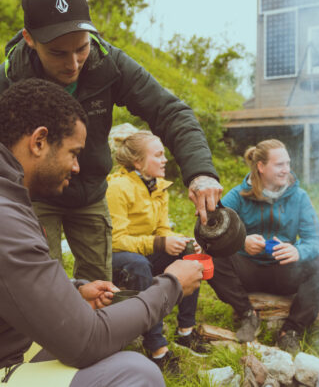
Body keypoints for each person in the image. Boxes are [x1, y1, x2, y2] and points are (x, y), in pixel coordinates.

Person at [0, 0, 222, 282]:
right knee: (41, 282)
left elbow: (169, 111)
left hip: (90, 193)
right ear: (30, 39)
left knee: (99, 285)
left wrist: (201, 173)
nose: (73, 63)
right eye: (58, 53)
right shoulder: (10, 78)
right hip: (34, 194)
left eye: (82, 48)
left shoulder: (109, 64)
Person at [0, 78, 203, 386]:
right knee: (137, 372)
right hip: (10, 360)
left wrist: (72, 289)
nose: (78, 167)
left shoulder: (12, 197)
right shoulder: (7, 216)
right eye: (73, 152)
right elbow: (85, 340)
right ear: (39, 141)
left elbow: (13, 279)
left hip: (14, 344)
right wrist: (171, 286)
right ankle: (157, 348)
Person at [208, 139, 319, 353]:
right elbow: (213, 231)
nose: (287, 169)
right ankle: (248, 315)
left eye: (288, 163)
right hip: (246, 270)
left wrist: (298, 250)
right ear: (261, 167)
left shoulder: (299, 197)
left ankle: (291, 331)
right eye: (279, 165)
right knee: (211, 257)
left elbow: (315, 239)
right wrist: (241, 242)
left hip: (284, 271)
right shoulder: (238, 196)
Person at [106, 131, 209, 373]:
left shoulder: (158, 187)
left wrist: (179, 240)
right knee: (139, 264)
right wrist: (159, 244)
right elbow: (116, 240)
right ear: (138, 162)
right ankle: (157, 348)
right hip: (118, 258)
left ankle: (186, 331)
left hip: (142, 252)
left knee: (188, 253)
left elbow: (162, 228)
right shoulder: (118, 187)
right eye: (158, 155)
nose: (165, 160)